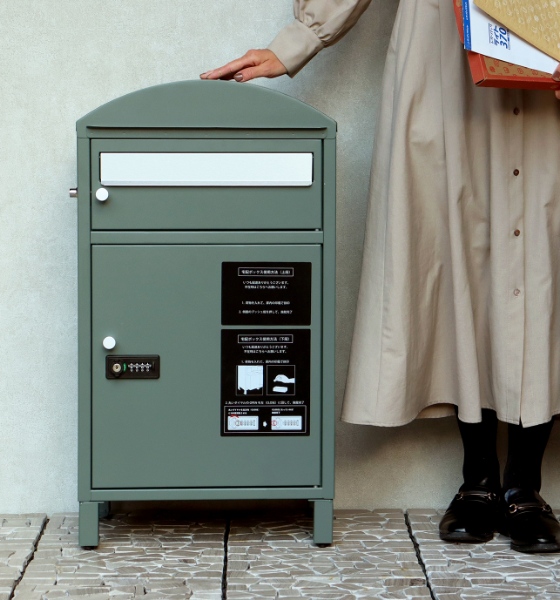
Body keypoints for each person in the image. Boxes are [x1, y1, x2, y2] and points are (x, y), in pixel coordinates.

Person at [201, 0, 560, 553]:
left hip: (548, 47)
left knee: (541, 248)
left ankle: (525, 486)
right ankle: (480, 479)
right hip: (443, 55)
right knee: (453, 249)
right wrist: (298, 40)